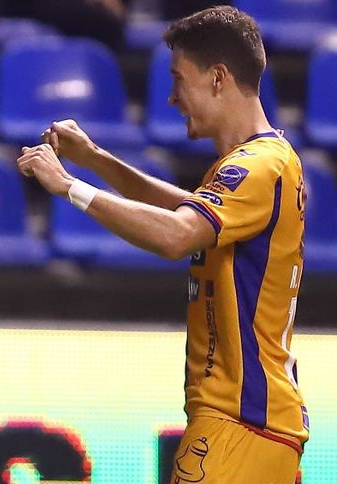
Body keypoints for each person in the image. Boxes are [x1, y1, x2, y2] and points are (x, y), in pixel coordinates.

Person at [16, 6, 306, 483]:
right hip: (262, 424)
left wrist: (68, 186)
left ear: (218, 78)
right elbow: (185, 209)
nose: (172, 98)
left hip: (237, 422)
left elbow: (177, 234)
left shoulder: (256, 167)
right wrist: (95, 158)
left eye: (179, 79)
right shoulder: (265, 162)